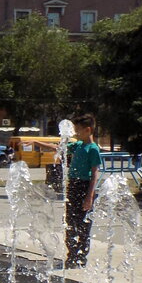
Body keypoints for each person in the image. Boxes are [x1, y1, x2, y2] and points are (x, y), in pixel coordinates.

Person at [39, 114, 102, 267]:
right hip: (73, 186)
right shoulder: (78, 145)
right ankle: (71, 254)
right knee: (70, 222)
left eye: (78, 130)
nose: (76, 133)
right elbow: (59, 148)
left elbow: (94, 173)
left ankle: (81, 256)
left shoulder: (93, 149)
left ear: (88, 130)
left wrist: (89, 196)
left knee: (83, 224)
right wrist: (37, 142)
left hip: (85, 187)